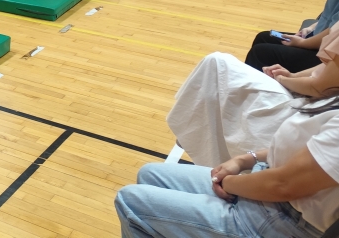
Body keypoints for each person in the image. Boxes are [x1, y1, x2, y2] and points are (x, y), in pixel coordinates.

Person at [116, 96, 339, 238]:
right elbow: (298, 151)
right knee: (150, 174)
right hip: (272, 197)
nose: (324, 49)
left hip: (286, 221)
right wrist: (244, 159)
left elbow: (282, 185)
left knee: (129, 201)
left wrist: (230, 183)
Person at [168, 28, 339, 169]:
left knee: (218, 63)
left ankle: (194, 130)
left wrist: (283, 80)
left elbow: (319, 87)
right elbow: (325, 67)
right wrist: (292, 76)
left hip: (308, 109)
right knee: (217, 64)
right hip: (308, 101)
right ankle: (194, 128)